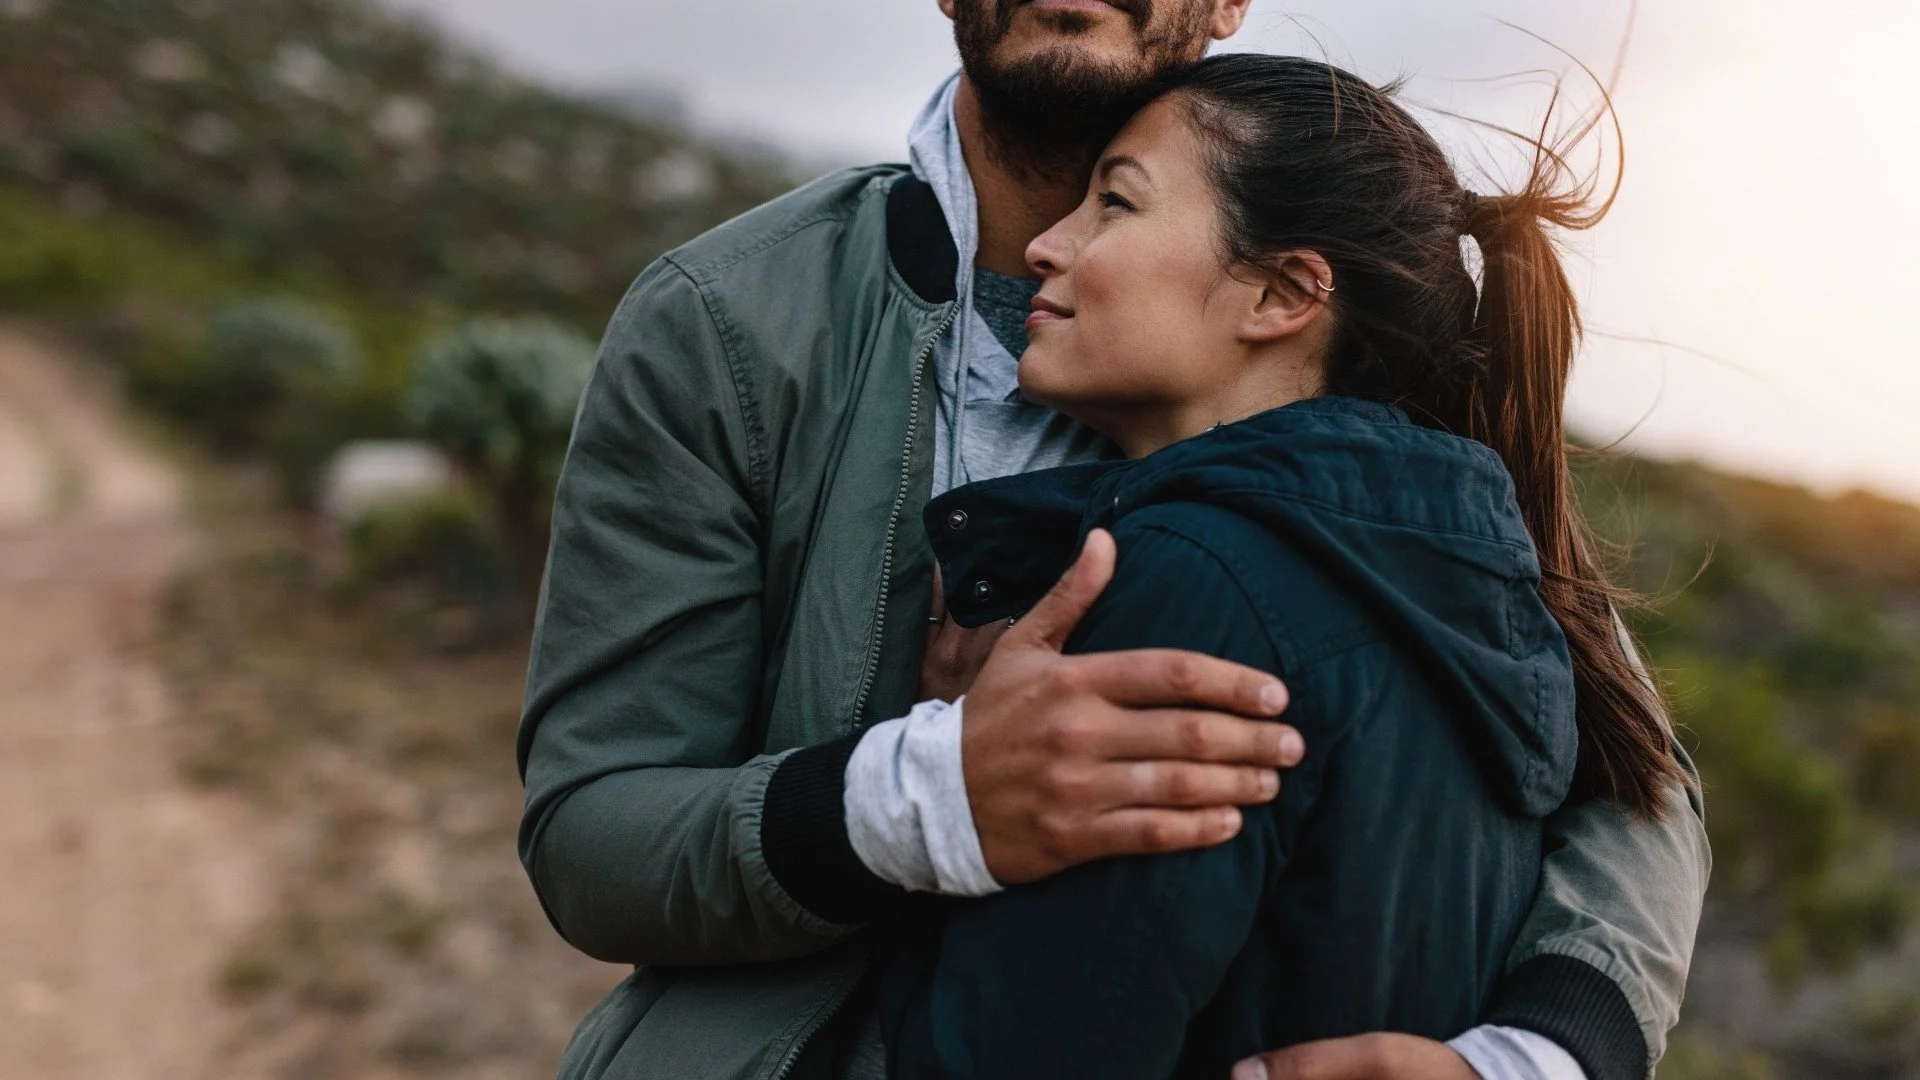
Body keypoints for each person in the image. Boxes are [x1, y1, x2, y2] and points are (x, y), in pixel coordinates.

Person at [516, 2, 1710, 1078]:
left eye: (1120, 204)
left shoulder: (1364, 359)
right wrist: (923, 795)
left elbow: (1621, 756)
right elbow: (591, 833)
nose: (1062, 247)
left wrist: (1539, 1057)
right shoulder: (728, 322)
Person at [877, 50, 1680, 1080]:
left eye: (1115, 204)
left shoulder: (1195, 583)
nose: (1045, 245)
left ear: (1283, 293)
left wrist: (943, 771)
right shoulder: (1470, 585)